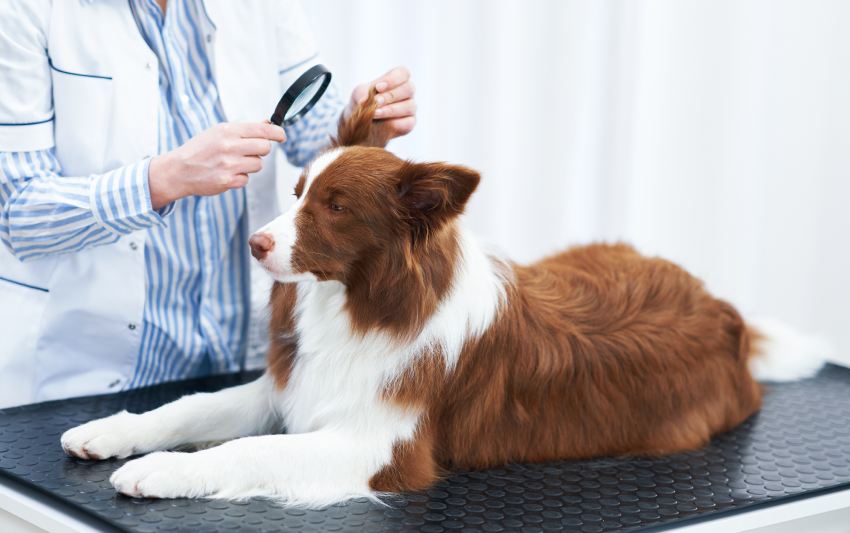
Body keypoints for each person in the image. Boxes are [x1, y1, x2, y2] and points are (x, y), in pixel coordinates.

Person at [0, 0, 416, 407]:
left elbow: (311, 134)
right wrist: (164, 179)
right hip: (94, 373)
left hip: (242, 362)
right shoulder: (24, 11)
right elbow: (19, 213)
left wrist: (364, 119)